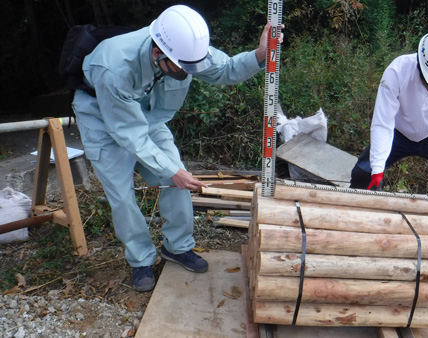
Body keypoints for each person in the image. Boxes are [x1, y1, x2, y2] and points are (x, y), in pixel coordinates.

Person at [71, 4, 282, 292]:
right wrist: (171, 169)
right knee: (122, 195)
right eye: (183, 68)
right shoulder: (113, 67)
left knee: (177, 182)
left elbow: (226, 69)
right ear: (158, 53)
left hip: (148, 116)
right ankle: (141, 260)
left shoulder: (186, 52)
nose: (190, 72)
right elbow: (130, 135)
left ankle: (178, 247)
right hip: (102, 119)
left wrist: (259, 55)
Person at [350, 28, 428, 236]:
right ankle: (352, 225)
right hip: (397, 132)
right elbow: (383, 123)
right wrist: (377, 169)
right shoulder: (397, 71)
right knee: (363, 173)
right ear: (421, 62)